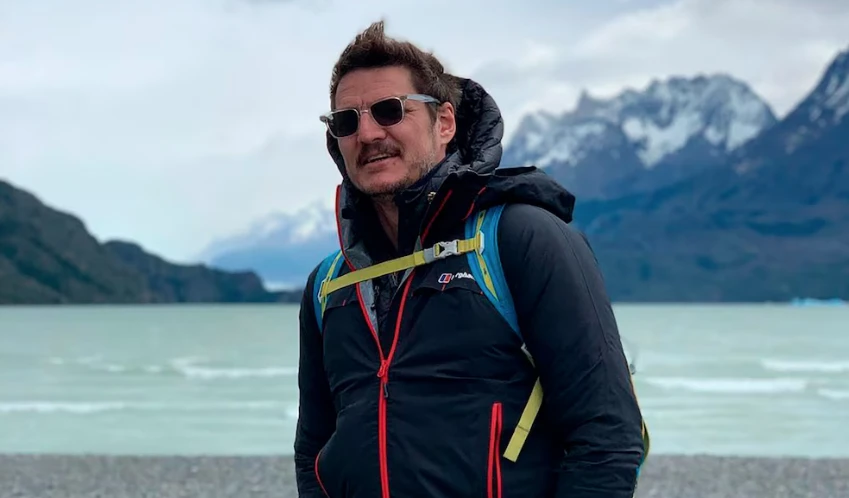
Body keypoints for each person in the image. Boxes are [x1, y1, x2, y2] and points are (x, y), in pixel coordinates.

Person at [294, 20, 648, 498]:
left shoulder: (519, 239)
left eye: (389, 110)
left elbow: (607, 437)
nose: (369, 133)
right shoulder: (329, 285)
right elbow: (313, 450)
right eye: (347, 121)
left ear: (444, 123)